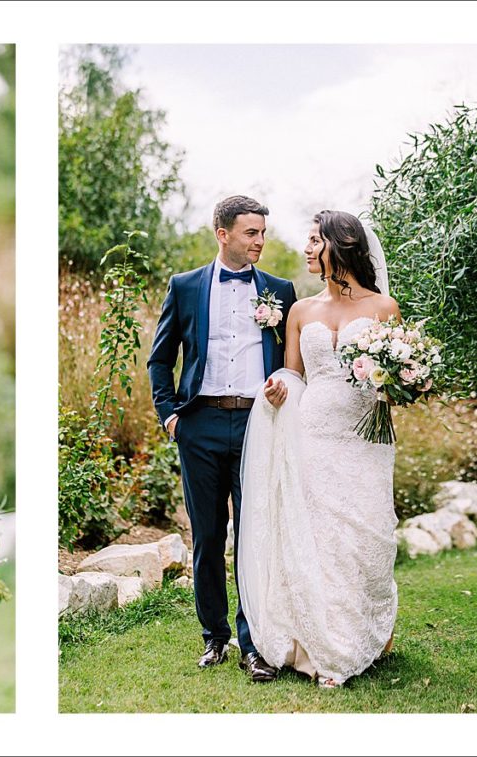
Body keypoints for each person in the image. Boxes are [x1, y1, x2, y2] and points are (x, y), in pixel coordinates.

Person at [237, 210, 399, 688]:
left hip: (362, 438)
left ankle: (357, 638)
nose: (307, 249)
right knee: (314, 538)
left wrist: (404, 382)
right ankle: (315, 645)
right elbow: (293, 375)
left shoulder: (384, 309)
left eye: (314, 241)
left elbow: (392, 382)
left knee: (360, 539)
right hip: (311, 433)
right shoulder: (301, 310)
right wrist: (276, 391)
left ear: (340, 245)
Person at [147, 195, 297, 682]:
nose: (259, 241)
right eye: (251, 232)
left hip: (258, 424)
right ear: (223, 233)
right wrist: (171, 415)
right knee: (208, 536)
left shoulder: (280, 290)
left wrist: (284, 389)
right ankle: (215, 636)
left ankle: (255, 644)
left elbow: (292, 363)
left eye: (262, 233)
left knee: (254, 535)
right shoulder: (186, 286)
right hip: (201, 424)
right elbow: (160, 357)